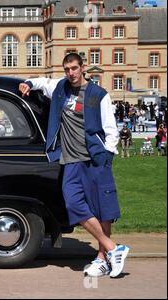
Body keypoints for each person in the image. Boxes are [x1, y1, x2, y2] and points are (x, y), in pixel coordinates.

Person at [18, 53, 130, 278]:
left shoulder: (98, 94)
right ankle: (113, 248)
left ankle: (102, 260)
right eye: (67, 69)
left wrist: (105, 157)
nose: (71, 73)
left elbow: (110, 129)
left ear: (83, 68)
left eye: (74, 68)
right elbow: (42, 82)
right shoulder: (60, 88)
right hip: (70, 160)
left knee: (101, 209)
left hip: (95, 159)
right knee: (73, 204)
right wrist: (27, 83)